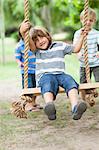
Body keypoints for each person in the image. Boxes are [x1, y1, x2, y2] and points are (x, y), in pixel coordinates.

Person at [19, 21, 88, 121]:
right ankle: (49, 106)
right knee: (48, 83)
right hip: (45, 76)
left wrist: (82, 36)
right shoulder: (37, 51)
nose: (40, 41)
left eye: (41, 37)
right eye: (36, 40)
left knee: (70, 81)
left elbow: (76, 49)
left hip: (61, 74)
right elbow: (29, 42)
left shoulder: (60, 46)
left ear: (47, 36)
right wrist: (23, 32)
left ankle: (75, 107)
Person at [15, 30, 42, 112]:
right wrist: (20, 63)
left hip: (36, 70)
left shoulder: (33, 44)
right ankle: (28, 105)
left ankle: (33, 103)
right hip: (27, 71)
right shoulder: (19, 46)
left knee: (35, 87)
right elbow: (17, 58)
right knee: (28, 87)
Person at [73, 8, 99, 84]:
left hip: (96, 63)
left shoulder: (96, 34)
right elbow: (75, 47)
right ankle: (84, 96)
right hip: (83, 63)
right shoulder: (78, 33)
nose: (88, 22)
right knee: (83, 84)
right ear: (81, 20)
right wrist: (78, 54)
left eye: (91, 20)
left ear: (94, 21)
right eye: (85, 20)